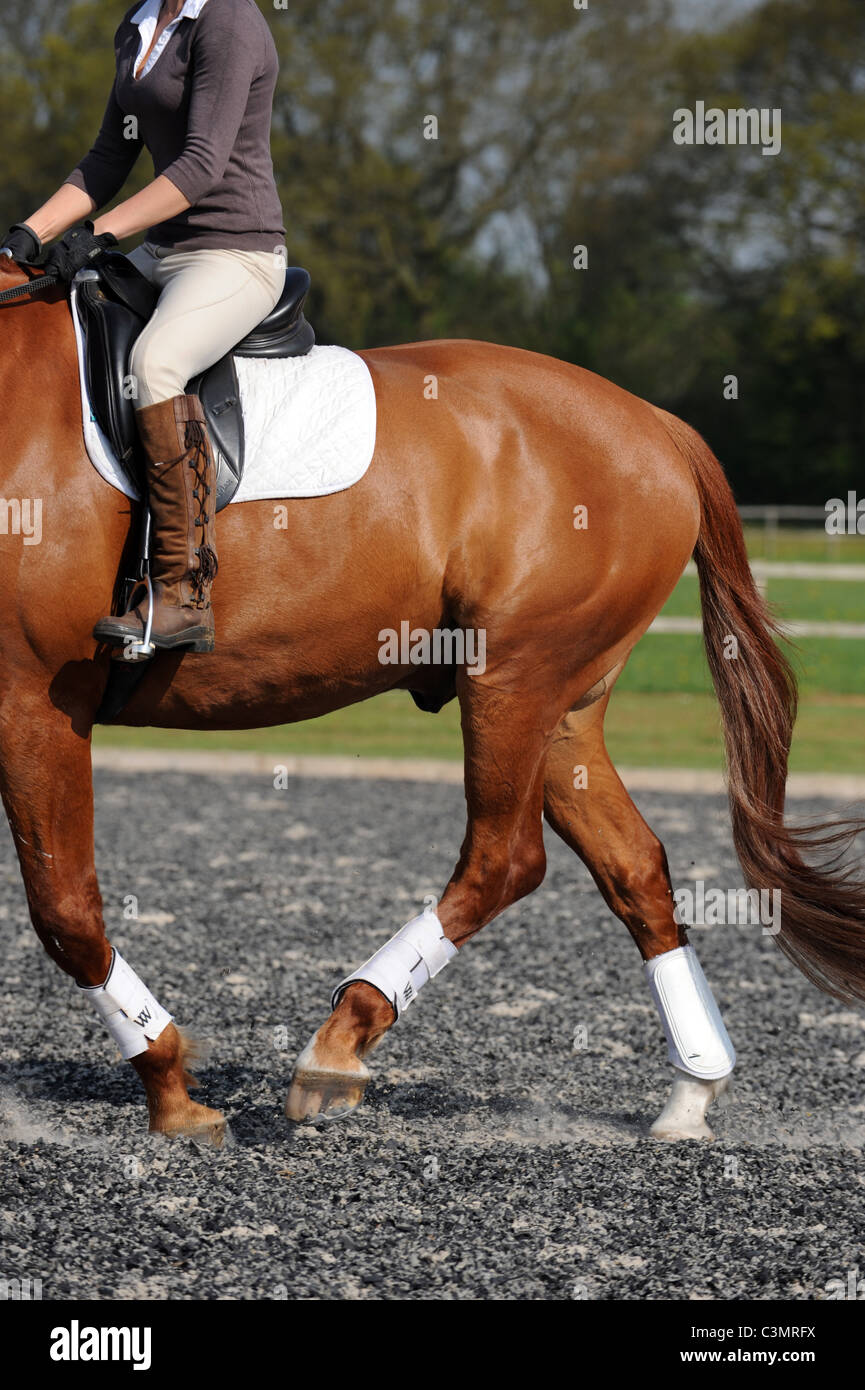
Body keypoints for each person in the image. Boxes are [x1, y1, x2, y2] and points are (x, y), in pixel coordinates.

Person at [1, 0, 287, 652]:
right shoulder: (138, 24)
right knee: (51, 321)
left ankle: (185, 588)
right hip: (160, 253)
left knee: (155, 365)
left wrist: (98, 234)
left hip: (234, 254)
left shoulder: (228, 21)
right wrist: (28, 236)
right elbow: (109, 155)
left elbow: (200, 164)